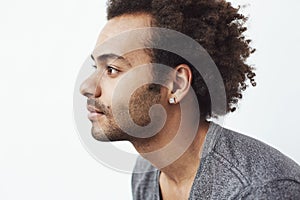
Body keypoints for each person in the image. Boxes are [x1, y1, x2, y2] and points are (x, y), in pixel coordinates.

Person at [80, 0, 300, 199]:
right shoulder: (146, 175)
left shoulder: (258, 190)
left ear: (176, 85)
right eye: (95, 67)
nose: (86, 87)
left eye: (111, 69)